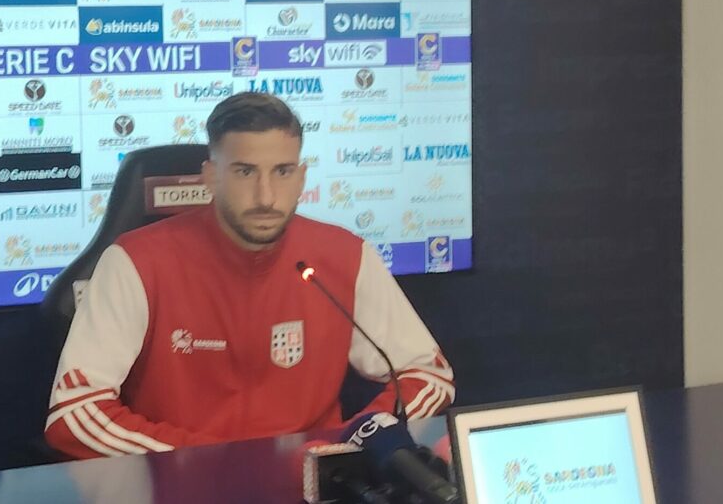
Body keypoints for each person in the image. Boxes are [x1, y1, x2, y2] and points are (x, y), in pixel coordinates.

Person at [45, 92, 454, 459]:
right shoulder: (135, 261)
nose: (266, 196)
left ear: (301, 178)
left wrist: (350, 444)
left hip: (311, 483)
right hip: (184, 485)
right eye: (244, 172)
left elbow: (428, 374)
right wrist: (209, 460)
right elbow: (75, 412)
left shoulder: (345, 255)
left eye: (282, 171)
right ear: (210, 177)